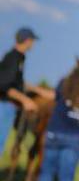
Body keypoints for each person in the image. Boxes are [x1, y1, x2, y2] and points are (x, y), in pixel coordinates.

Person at [0, 27, 54, 158]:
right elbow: (4, 85)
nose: (33, 44)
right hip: (4, 105)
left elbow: (18, 83)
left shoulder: (19, 57)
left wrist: (40, 91)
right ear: (27, 41)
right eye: (32, 41)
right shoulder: (13, 58)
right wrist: (26, 100)